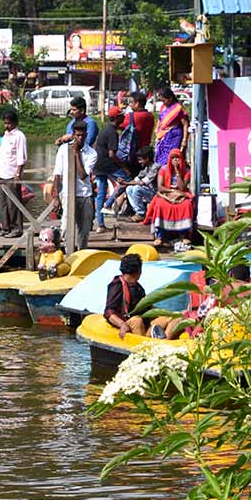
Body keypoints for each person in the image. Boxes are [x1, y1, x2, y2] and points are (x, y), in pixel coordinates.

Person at [52, 119, 97, 251]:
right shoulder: (63, 149)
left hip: (85, 194)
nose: (80, 138)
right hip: (67, 193)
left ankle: (82, 253)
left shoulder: (91, 153)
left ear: (86, 135)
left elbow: (83, 175)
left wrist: (76, 153)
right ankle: (67, 253)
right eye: (77, 135)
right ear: (73, 135)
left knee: (84, 229)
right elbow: (57, 174)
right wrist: (56, 197)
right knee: (66, 227)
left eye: (83, 135)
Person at [93, 106, 132, 231]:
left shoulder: (105, 129)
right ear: (116, 118)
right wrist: (124, 167)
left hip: (98, 164)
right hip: (107, 164)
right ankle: (108, 204)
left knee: (101, 193)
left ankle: (100, 224)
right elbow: (112, 154)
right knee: (127, 180)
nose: (123, 117)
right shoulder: (112, 133)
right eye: (121, 115)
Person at [144, 148, 194, 245]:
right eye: (173, 158)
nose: (175, 160)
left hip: (180, 194)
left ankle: (183, 235)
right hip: (166, 193)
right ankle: (160, 236)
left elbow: (182, 187)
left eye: (178, 158)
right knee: (160, 205)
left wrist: (177, 171)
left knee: (186, 205)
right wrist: (172, 191)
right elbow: (160, 187)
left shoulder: (187, 170)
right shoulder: (163, 169)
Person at [0, 110, 29, 237]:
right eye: (5, 123)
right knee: (2, 203)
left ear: (15, 123)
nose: (6, 126)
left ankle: (16, 228)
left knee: (13, 203)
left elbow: (21, 157)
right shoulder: (5, 135)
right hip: (0, 173)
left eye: (8, 123)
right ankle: (5, 228)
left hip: (11, 174)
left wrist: (18, 174)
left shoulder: (19, 136)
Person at [103, 253, 147, 339]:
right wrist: (122, 324)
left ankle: (164, 346)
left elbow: (146, 307)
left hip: (144, 323)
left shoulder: (138, 287)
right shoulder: (117, 286)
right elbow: (109, 312)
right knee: (136, 320)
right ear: (138, 271)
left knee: (175, 318)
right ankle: (143, 347)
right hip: (129, 322)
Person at [153, 87, 187, 167]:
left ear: (170, 98)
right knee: (160, 156)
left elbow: (185, 124)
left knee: (171, 157)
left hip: (174, 136)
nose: (163, 103)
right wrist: (157, 129)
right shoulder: (163, 107)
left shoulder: (178, 108)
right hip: (162, 136)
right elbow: (160, 119)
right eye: (162, 101)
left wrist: (184, 140)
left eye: (164, 100)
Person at [129, 92, 155, 156]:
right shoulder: (150, 115)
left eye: (131, 102)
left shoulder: (131, 116)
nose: (130, 105)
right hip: (145, 150)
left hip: (133, 151)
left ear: (137, 103)